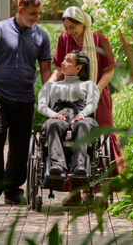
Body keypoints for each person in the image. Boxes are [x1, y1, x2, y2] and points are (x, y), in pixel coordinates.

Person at [0, 0, 52, 205]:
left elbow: (45, 70)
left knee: (20, 145)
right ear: (20, 10)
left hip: (25, 97)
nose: (36, 17)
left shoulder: (42, 37)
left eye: (39, 13)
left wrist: (49, 95)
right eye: (32, 13)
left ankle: (12, 190)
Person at [48, 6, 125, 202]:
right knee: (71, 136)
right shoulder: (64, 40)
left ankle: (92, 189)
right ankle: (74, 191)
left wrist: (95, 90)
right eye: (66, 27)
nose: (68, 32)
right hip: (70, 95)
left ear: (83, 24)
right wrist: (50, 83)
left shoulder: (101, 40)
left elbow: (108, 70)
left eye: (72, 27)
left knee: (100, 140)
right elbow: (59, 68)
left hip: (98, 95)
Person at [38, 50, 100, 180]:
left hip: (83, 117)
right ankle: (57, 166)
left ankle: (79, 166)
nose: (63, 63)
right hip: (58, 116)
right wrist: (53, 114)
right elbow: (41, 106)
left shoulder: (89, 84)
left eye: (68, 61)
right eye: (64, 59)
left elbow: (92, 104)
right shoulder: (50, 85)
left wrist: (82, 114)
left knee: (81, 124)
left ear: (78, 67)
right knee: (52, 123)